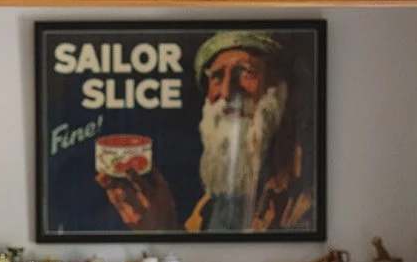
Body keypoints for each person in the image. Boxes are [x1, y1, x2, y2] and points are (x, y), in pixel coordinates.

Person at [98, 29, 316, 233]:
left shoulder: (308, 188)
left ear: (286, 89)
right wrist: (162, 223)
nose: (227, 91)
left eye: (245, 72)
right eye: (217, 77)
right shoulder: (214, 203)